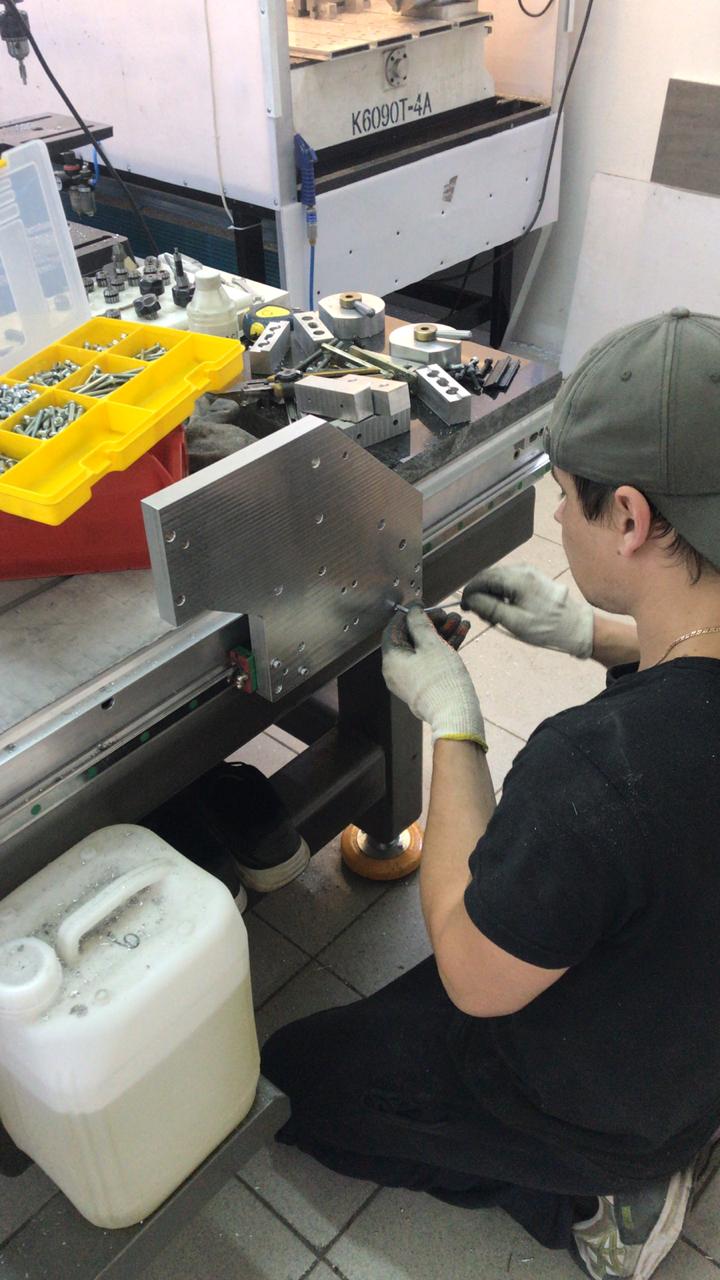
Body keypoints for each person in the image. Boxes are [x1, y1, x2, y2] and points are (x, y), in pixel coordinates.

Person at [262, 307, 720, 1279]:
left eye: (564, 498)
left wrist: (453, 719)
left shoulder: (603, 769)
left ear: (630, 517)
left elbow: (473, 971)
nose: (555, 522)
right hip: (691, 1024)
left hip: (606, 1099)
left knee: (298, 1082)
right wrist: (594, 634)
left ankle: (596, 1198)